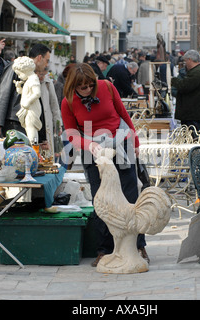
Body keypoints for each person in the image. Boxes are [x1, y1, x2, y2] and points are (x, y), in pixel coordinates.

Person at [60, 63, 148, 267]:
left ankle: (137, 246)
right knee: (101, 200)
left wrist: (135, 142)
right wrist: (90, 145)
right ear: (73, 86)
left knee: (130, 196)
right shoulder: (68, 102)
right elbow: (72, 135)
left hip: (121, 144)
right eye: (82, 87)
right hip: (93, 150)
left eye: (90, 85)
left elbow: (124, 115)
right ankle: (105, 250)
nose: (88, 89)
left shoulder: (107, 87)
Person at [0, 43, 51, 142]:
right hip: (15, 122)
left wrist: (42, 138)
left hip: (27, 120)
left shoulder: (32, 74)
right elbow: (3, 93)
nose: (47, 65)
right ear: (40, 58)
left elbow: (37, 103)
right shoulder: (17, 67)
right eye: (47, 60)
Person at [171, 50, 200, 137]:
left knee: (192, 138)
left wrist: (172, 80)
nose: (185, 64)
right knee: (191, 137)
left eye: (185, 61)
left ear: (189, 60)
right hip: (192, 113)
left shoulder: (197, 72)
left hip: (193, 114)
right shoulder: (197, 70)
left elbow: (184, 86)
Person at [12, 56, 42, 144]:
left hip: (32, 108)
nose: (19, 76)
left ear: (26, 70)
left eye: (20, 74)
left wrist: (28, 102)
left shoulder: (33, 79)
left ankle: (33, 145)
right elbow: (25, 93)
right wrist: (18, 88)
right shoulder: (29, 79)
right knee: (28, 128)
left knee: (31, 127)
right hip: (28, 108)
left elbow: (37, 93)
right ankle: (31, 144)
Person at [36, 66, 63, 157]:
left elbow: (54, 105)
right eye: (40, 74)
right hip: (35, 124)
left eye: (44, 74)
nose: (42, 77)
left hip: (47, 126)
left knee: (47, 155)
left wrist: (58, 124)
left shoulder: (48, 83)